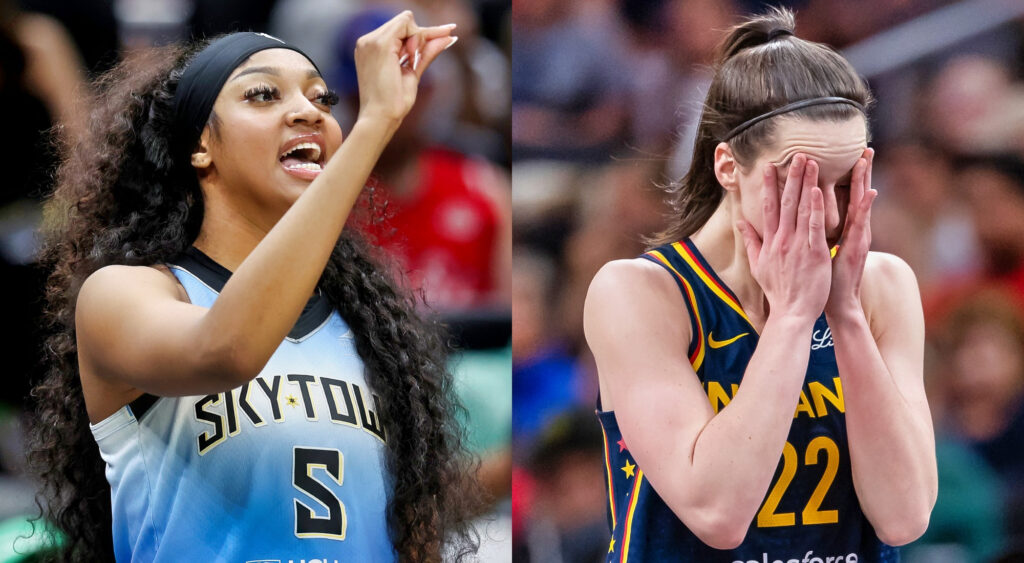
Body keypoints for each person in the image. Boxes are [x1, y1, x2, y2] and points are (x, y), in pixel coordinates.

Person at [27, 13, 483, 562]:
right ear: (199, 145)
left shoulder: (377, 332)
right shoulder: (124, 294)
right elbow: (226, 349)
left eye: (324, 100)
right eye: (264, 95)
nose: (307, 112)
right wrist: (376, 121)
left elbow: (415, 541)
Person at [583, 8, 937, 561]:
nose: (825, 216)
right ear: (728, 166)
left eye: (845, 185)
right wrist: (794, 318)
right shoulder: (639, 294)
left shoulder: (882, 285)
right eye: (800, 182)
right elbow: (717, 513)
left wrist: (843, 315)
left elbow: (904, 518)